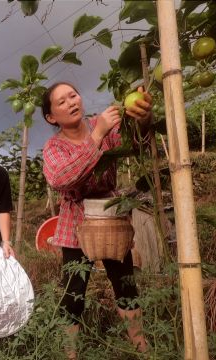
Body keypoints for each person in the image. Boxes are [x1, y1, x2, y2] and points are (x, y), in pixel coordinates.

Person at [41, 82, 152, 357]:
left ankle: (141, 346)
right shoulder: (54, 146)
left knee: (126, 285)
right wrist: (97, 135)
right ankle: (71, 352)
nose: (71, 102)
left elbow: (135, 144)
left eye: (73, 95)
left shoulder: (105, 124)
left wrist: (142, 120)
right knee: (73, 293)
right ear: (51, 117)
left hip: (111, 218)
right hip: (74, 226)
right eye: (61, 102)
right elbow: (61, 179)